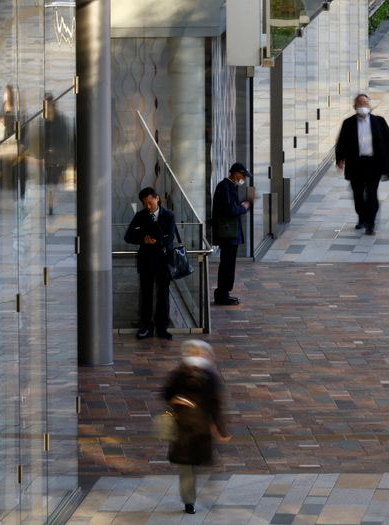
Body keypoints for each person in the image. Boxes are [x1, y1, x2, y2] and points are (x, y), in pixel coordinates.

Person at [162, 340, 230, 514]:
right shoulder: (198, 374)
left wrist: (177, 400)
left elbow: (166, 394)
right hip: (192, 426)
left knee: (191, 465)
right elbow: (215, 404)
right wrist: (219, 430)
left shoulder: (187, 373)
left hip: (191, 427)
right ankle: (193, 498)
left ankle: (191, 499)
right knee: (192, 464)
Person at [334, 93, 389, 235]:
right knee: (358, 195)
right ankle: (362, 217)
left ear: (369, 105)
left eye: (365, 103)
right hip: (356, 165)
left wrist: (385, 157)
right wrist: (340, 159)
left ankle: (370, 224)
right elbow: (341, 143)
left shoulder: (379, 121)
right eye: (360, 103)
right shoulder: (348, 123)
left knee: (372, 194)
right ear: (355, 106)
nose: (363, 106)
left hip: (373, 164)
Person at [124, 187, 176, 340]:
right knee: (146, 293)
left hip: (163, 259)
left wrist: (158, 242)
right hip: (146, 259)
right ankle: (146, 326)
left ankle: (162, 327)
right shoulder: (141, 216)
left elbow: (170, 237)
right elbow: (128, 236)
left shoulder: (168, 216)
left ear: (157, 198)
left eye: (150, 203)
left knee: (163, 293)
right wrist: (143, 239)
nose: (148, 207)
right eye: (145, 204)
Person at [211, 162, 253, 305]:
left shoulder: (229, 186)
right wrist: (243, 207)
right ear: (236, 174)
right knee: (227, 264)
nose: (244, 179)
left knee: (229, 264)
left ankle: (224, 293)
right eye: (243, 176)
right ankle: (222, 294)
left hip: (230, 232)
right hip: (227, 233)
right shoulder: (225, 187)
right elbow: (229, 210)